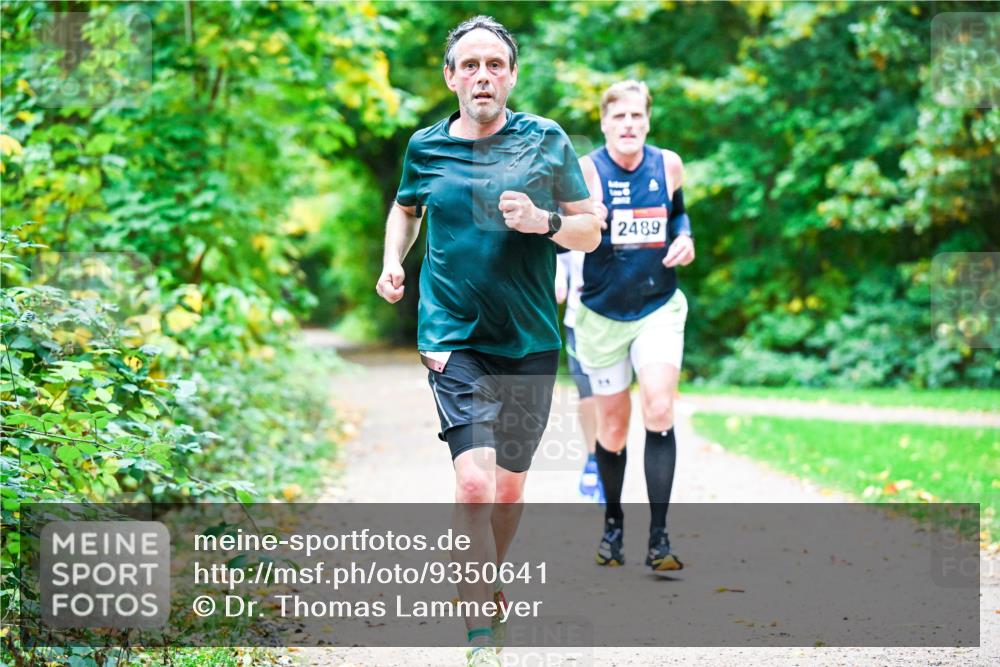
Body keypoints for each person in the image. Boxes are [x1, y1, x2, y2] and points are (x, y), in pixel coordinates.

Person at [375, 15, 600, 667]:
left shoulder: (545, 142)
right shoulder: (425, 147)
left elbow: (590, 230)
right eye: (469, 65)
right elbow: (407, 209)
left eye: (494, 64)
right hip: (451, 333)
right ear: (450, 77)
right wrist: (394, 259)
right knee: (473, 485)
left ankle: (486, 577)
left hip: (529, 336)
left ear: (511, 75)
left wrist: (543, 220)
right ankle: (481, 635)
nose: (481, 75)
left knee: (507, 488)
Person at [573, 80, 695, 572]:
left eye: (636, 117)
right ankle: (613, 524)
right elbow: (567, 240)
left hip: (658, 305)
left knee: (659, 407)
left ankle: (660, 539)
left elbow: (680, 217)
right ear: (604, 123)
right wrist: (588, 220)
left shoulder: (667, 164)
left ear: (647, 121)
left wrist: (684, 240)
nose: (628, 125)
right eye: (618, 117)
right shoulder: (587, 171)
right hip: (601, 313)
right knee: (614, 427)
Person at [554, 249, 603, 502]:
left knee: (613, 397)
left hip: (618, 320)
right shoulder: (567, 211)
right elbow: (558, 256)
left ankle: (612, 455)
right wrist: (559, 278)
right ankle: (594, 458)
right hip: (578, 319)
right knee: (588, 394)